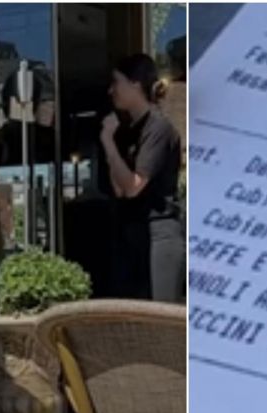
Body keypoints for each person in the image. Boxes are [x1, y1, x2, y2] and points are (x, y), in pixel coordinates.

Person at [99, 53, 185, 303]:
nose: (111, 90)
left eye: (117, 82)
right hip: (132, 232)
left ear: (135, 84)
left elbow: (134, 186)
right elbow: (120, 189)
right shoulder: (124, 131)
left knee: (159, 316)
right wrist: (111, 144)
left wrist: (107, 142)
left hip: (159, 234)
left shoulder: (159, 128)